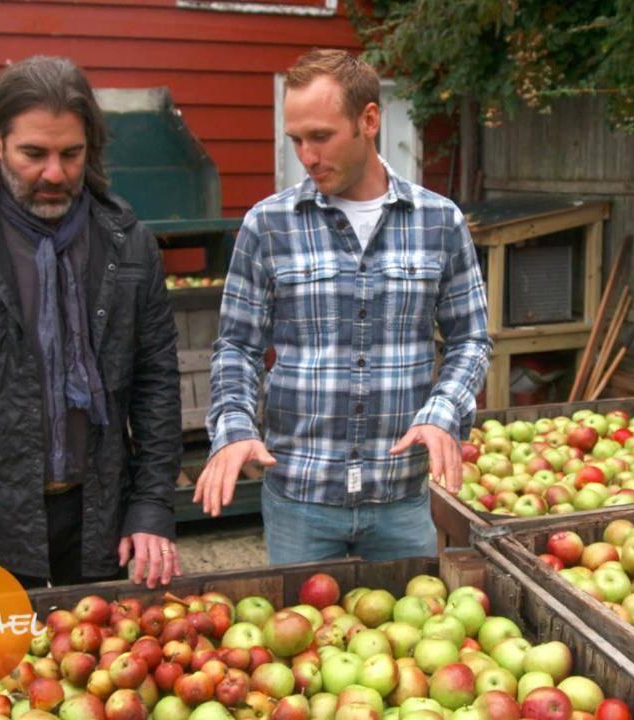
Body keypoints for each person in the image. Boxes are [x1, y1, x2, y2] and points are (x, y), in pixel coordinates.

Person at [0, 55, 183, 588]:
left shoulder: (129, 244)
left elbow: (156, 383)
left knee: (97, 667)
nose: (55, 173)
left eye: (71, 153)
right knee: (5, 669)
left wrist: (152, 507)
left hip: (104, 518)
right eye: (34, 153)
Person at [196, 49, 492, 563]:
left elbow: (471, 339)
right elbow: (237, 347)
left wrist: (444, 412)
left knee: (415, 635)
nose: (307, 156)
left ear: (369, 120)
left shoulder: (439, 222)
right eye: (297, 140)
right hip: (299, 500)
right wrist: (234, 428)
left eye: (321, 136)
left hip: (400, 497)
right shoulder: (267, 226)